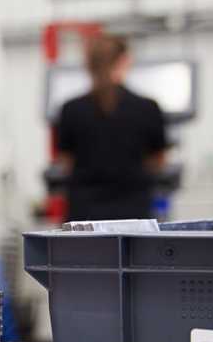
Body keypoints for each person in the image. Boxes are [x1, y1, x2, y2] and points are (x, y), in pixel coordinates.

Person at [57, 34, 169, 221]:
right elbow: (158, 162)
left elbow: (66, 163)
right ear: (124, 61)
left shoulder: (71, 109)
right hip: (134, 216)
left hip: (84, 216)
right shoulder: (147, 107)